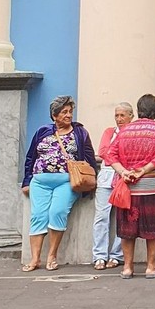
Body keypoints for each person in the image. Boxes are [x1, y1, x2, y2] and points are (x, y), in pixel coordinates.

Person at [21, 94, 97, 273]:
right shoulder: (42, 131)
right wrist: (27, 181)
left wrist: (90, 184)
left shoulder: (79, 132)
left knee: (58, 212)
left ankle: (52, 256)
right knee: (38, 216)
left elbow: (89, 158)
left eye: (70, 112)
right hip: (39, 181)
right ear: (54, 115)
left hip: (66, 181)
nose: (68, 115)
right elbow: (31, 157)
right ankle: (34, 259)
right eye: (64, 112)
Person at [103, 92, 155, 278]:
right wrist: (144, 170)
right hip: (154, 187)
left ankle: (127, 267)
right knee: (154, 229)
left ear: (138, 110)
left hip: (128, 188)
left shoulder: (125, 131)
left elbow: (110, 154)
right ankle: (150, 267)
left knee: (128, 231)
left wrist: (123, 171)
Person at [92, 101, 133, 269]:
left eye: (122, 115)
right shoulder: (109, 132)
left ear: (131, 116)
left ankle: (117, 254)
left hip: (124, 177)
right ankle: (99, 255)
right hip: (107, 177)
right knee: (101, 216)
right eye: (116, 115)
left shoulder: (132, 133)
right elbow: (103, 152)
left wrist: (115, 155)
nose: (119, 119)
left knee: (122, 217)